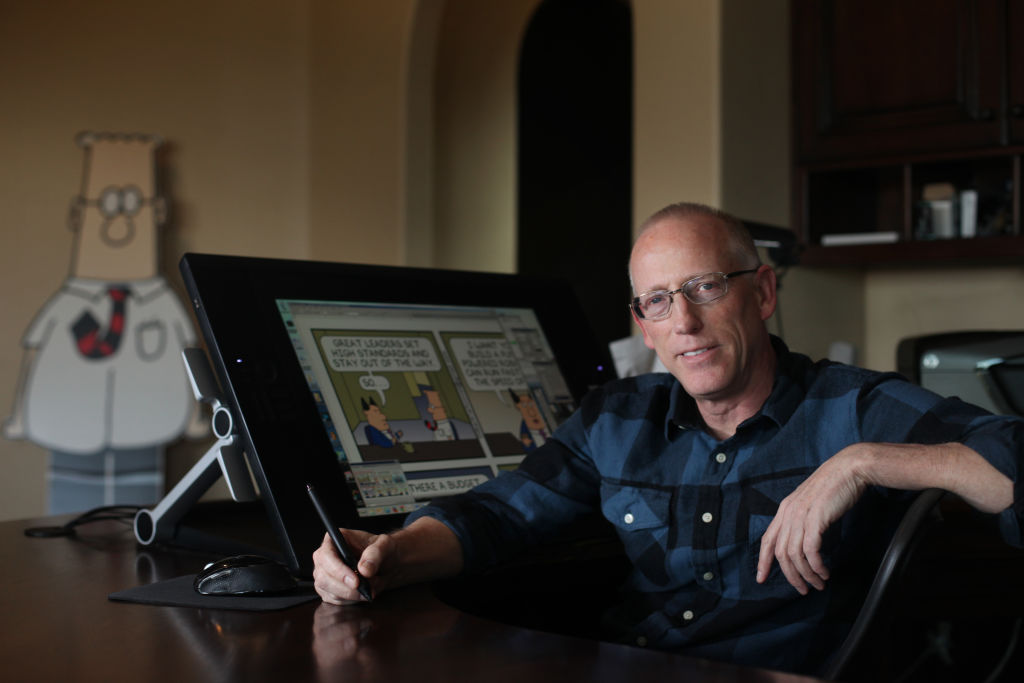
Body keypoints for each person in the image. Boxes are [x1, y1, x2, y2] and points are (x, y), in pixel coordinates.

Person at [312, 202, 1023, 675]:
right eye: (658, 301)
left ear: (763, 292)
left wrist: (863, 461)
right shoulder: (616, 418)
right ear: (644, 327)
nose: (683, 321)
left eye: (706, 287)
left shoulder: (852, 408)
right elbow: (500, 512)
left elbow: (1013, 458)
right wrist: (391, 554)